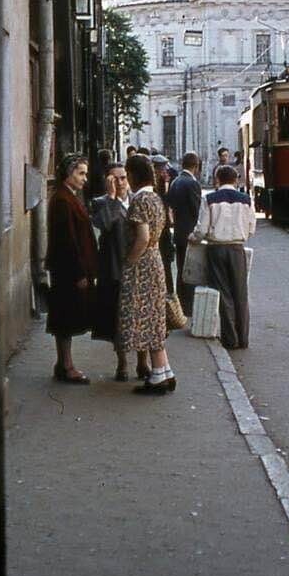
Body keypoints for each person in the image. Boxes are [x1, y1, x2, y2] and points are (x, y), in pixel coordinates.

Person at [119, 154, 176, 395]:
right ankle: (163, 370)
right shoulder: (156, 198)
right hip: (155, 261)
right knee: (154, 317)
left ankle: (158, 376)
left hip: (142, 264)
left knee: (146, 317)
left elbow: (142, 237)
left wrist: (129, 261)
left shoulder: (140, 200)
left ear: (132, 175)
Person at [90, 163, 149, 381]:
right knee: (118, 319)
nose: (121, 182)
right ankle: (122, 363)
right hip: (114, 269)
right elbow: (104, 225)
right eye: (115, 179)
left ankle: (143, 363)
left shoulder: (139, 200)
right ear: (108, 182)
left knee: (140, 317)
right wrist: (112, 198)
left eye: (123, 177)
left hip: (138, 268)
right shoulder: (100, 203)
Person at [190, 165, 256, 349]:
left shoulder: (210, 199)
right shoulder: (246, 200)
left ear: (218, 179)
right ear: (236, 180)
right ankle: (243, 338)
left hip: (216, 249)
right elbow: (251, 228)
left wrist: (194, 238)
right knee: (240, 293)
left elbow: (202, 228)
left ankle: (230, 338)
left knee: (223, 292)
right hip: (237, 248)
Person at [46, 154, 97, 384]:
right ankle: (66, 366)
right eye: (81, 173)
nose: (84, 178)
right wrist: (79, 273)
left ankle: (63, 364)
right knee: (65, 316)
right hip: (68, 270)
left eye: (85, 173)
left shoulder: (68, 197)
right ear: (69, 173)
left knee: (65, 315)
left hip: (68, 269)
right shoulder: (63, 200)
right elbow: (67, 239)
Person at [167, 151, 202, 317]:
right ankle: (188, 306)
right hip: (190, 233)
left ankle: (179, 304)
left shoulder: (176, 181)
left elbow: (171, 205)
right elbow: (197, 210)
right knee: (191, 271)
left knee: (181, 269)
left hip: (179, 231)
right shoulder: (192, 183)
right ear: (196, 166)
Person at [151, 154, 175, 296]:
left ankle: (169, 293)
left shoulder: (164, 185)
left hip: (164, 232)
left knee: (166, 264)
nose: (166, 171)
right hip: (159, 233)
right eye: (162, 168)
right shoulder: (154, 187)